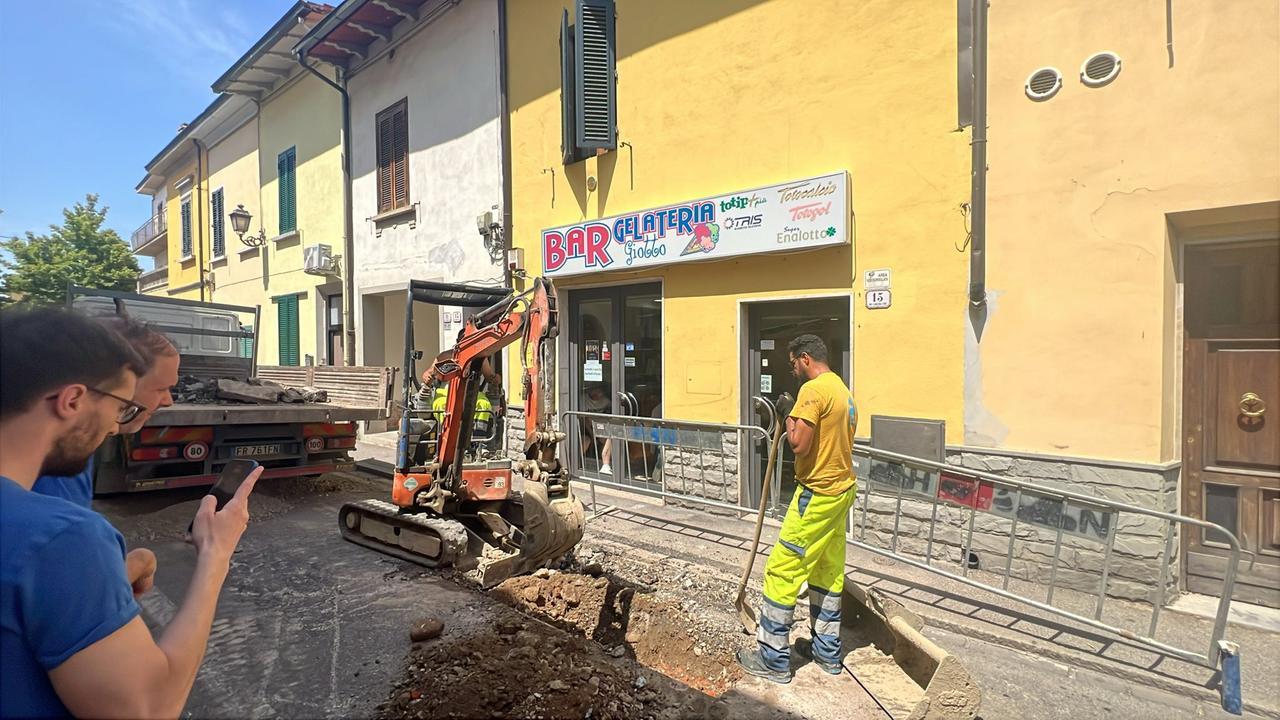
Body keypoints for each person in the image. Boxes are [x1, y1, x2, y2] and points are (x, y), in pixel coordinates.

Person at [1, 307, 261, 718]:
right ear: (72, 400)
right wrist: (216, 554)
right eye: (120, 406)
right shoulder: (60, 536)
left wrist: (113, 571)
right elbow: (150, 708)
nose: (112, 426)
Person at [29, 316, 180, 599]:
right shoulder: (59, 464)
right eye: (161, 388)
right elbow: (74, 591)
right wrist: (141, 562)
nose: (168, 401)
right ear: (123, 382)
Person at [736, 334, 857, 684]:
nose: (793, 370)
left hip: (816, 495)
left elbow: (800, 444)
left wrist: (788, 414)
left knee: (783, 569)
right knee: (827, 571)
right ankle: (826, 651)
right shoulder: (843, 391)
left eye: (793, 363)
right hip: (841, 492)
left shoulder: (813, 391)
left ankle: (773, 659)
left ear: (805, 358)